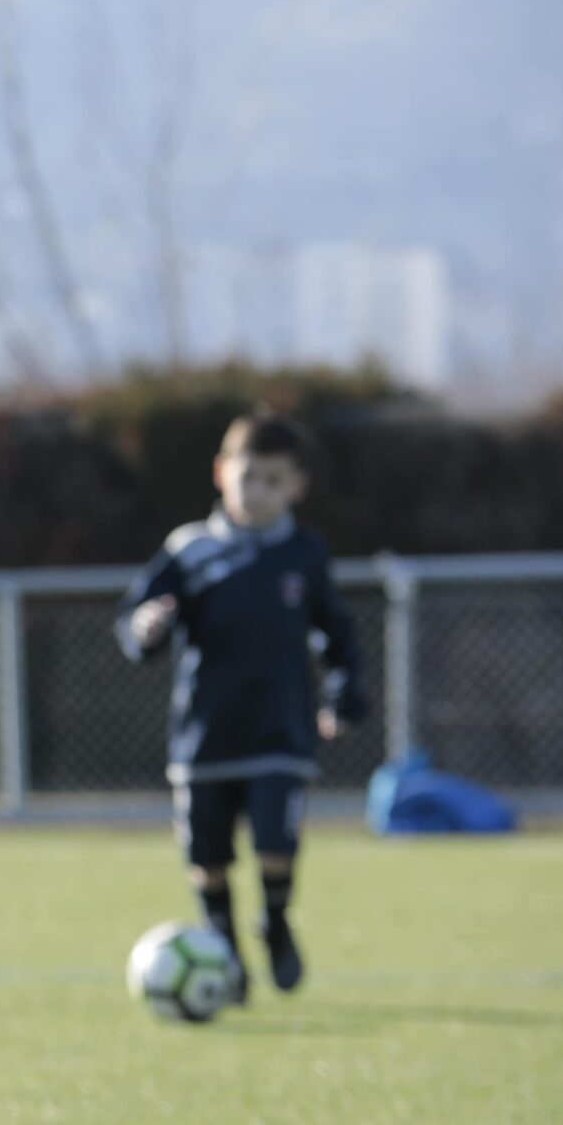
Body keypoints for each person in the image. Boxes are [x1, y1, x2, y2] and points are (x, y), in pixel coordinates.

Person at [116, 410, 367, 996]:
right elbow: (134, 618)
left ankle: (275, 923)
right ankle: (223, 946)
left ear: (296, 487)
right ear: (221, 472)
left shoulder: (304, 554)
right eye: (248, 476)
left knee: (276, 847)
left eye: (273, 482)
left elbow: (338, 632)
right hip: (204, 733)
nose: (257, 492)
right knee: (209, 861)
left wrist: (344, 692)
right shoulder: (189, 550)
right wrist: (145, 628)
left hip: (280, 731)